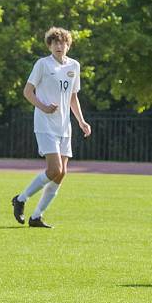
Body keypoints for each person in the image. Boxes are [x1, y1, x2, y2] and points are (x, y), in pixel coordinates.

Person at [11, 27, 91, 228]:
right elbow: (28, 92)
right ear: (49, 45)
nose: (59, 46)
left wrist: (81, 121)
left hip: (64, 126)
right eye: (55, 42)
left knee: (62, 173)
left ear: (68, 45)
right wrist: (44, 107)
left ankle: (37, 216)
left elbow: (73, 96)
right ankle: (21, 199)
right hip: (45, 123)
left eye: (63, 42)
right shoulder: (43, 64)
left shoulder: (74, 66)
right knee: (54, 168)